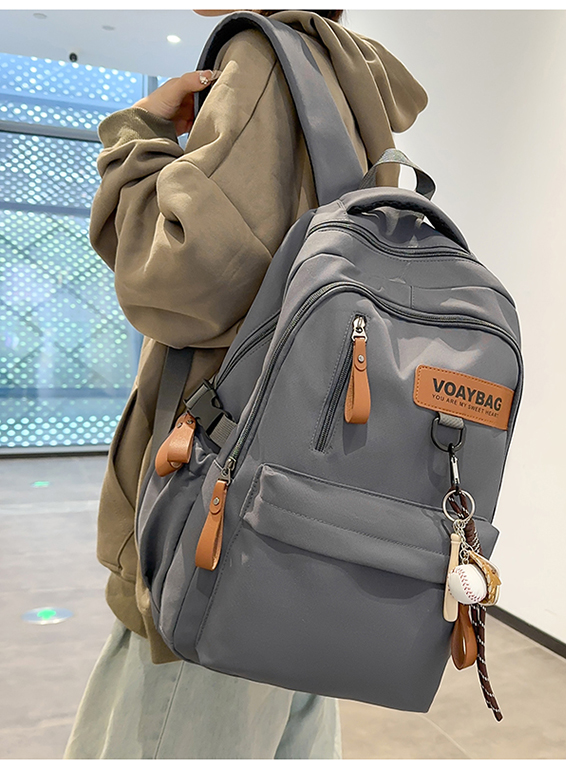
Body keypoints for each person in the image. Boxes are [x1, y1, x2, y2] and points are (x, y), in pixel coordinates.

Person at [62, 8, 428, 759]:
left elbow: (176, 282)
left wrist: (135, 138)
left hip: (217, 529)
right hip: (298, 517)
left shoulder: (261, 60)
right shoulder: (347, 83)